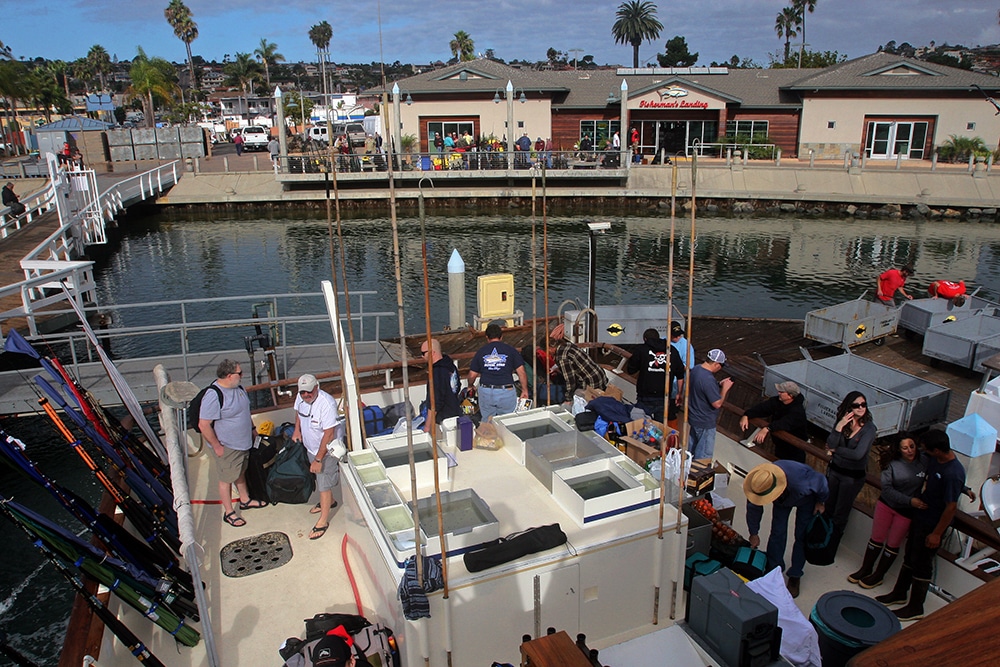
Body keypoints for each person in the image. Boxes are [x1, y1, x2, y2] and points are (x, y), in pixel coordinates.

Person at [876, 429, 965, 621]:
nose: (920, 451)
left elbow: (950, 507)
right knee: (910, 556)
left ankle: (916, 607)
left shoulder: (953, 473)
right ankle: (899, 593)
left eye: (925, 449)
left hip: (932, 524)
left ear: (937, 450)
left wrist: (937, 534)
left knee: (923, 564)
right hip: (920, 516)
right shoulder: (935, 459)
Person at [848, 434, 924, 589]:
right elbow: (887, 489)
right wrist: (910, 500)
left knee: (893, 544)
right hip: (887, 506)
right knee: (876, 538)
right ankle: (865, 569)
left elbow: (941, 475)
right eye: (905, 448)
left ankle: (879, 575)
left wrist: (964, 489)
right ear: (899, 450)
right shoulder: (892, 465)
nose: (909, 451)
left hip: (906, 512)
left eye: (912, 446)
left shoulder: (925, 462)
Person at [745, 460, 829, 599]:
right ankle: (774, 568)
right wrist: (754, 533)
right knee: (777, 532)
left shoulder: (801, 481)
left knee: (801, 536)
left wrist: (821, 501)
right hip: (782, 501)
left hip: (806, 499)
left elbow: (821, 482)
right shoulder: (758, 482)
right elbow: (753, 508)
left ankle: (795, 574)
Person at [199, 359, 261, 527]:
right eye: (239, 373)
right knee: (226, 479)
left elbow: (245, 411)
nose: (242, 376)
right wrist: (217, 446)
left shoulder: (239, 388)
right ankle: (229, 512)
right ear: (228, 376)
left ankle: (245, 500)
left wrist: (253, 429)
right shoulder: (214, 395)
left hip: (243, 442)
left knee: (240, 471)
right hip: (228, 446)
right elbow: (203, 425)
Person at [292, 374, 343, 540]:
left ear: (317, 387)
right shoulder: (301, 399)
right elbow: (299, 414)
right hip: (311, 448)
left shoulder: (326, 403)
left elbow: (329, 433)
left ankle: (323, 521)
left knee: (323, 486)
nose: (306, 395)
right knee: (320, 479)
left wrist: (319, 459)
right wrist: (297, 430)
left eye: (309, 391)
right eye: (302, 392)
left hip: (326, 451)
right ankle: (331, 501)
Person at [824, 390, 876, 540]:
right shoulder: (843, 421)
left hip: (851, 477)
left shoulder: (869, 429)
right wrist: (839, 426)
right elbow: (830, 443)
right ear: (849, 407)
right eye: (856, 405)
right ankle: (822, 538)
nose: (860, 408)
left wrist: (836, 450)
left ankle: (832, 543)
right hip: (835, 472)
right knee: (828, 507)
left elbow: (858, 455)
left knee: (841, 512)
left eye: (863, 404)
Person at [467, 323, 529, 419]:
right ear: (501, 337)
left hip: (486, 391)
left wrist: (470, 386)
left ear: (487, 337)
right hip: (506, 391)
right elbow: (522, 373)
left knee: (487, 422)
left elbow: (472, 375)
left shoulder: (481, 352)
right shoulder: (511, 351)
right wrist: (524, 390)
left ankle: (487, 432)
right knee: (506, 421)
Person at [739, 381, 809, 463]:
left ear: (790, 396)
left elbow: (786, 422)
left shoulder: (797, 411)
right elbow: (763, 408)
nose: (778, 393)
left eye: (781, 392)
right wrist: (747, 415)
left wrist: (768, 428)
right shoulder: (777, 401)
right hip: (780, 445)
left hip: (794, 449)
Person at [627, 327, 684, 423]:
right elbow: (680, 375)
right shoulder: (672, 351)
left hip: (645, 395)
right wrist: (679, 393)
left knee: (642, 425)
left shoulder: (641, 350)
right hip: (664, 396)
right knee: (660, 428)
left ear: (645, 339)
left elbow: (631, 370)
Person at [687, 349, 734, 460]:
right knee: (703, 457)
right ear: (716, 364)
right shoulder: (708, 379)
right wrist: (724, 389)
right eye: (721, 366)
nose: (720, 368)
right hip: (705, 421)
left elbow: (702, 388)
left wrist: (718, 384)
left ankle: (687, 473)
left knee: (691, 452)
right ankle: (698, 475)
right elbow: (717, 403)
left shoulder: (696, 369)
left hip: (694, 417)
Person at [549, 323, 608, 396]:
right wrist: (556, 368)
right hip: (601, 377)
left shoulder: (561, 357)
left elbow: (570, 380)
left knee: (572, 393)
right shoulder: (567, 345)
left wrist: (568, 398)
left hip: (592, 384)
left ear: (550, 348)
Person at [421, 338, 462, 426]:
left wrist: (428, 425)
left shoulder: (436, 373)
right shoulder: (451, 366)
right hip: (455, 412)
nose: (422, 357)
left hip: (443, 420)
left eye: (423, 353)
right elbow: (457, 386)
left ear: (432, 353)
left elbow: (435, 402)